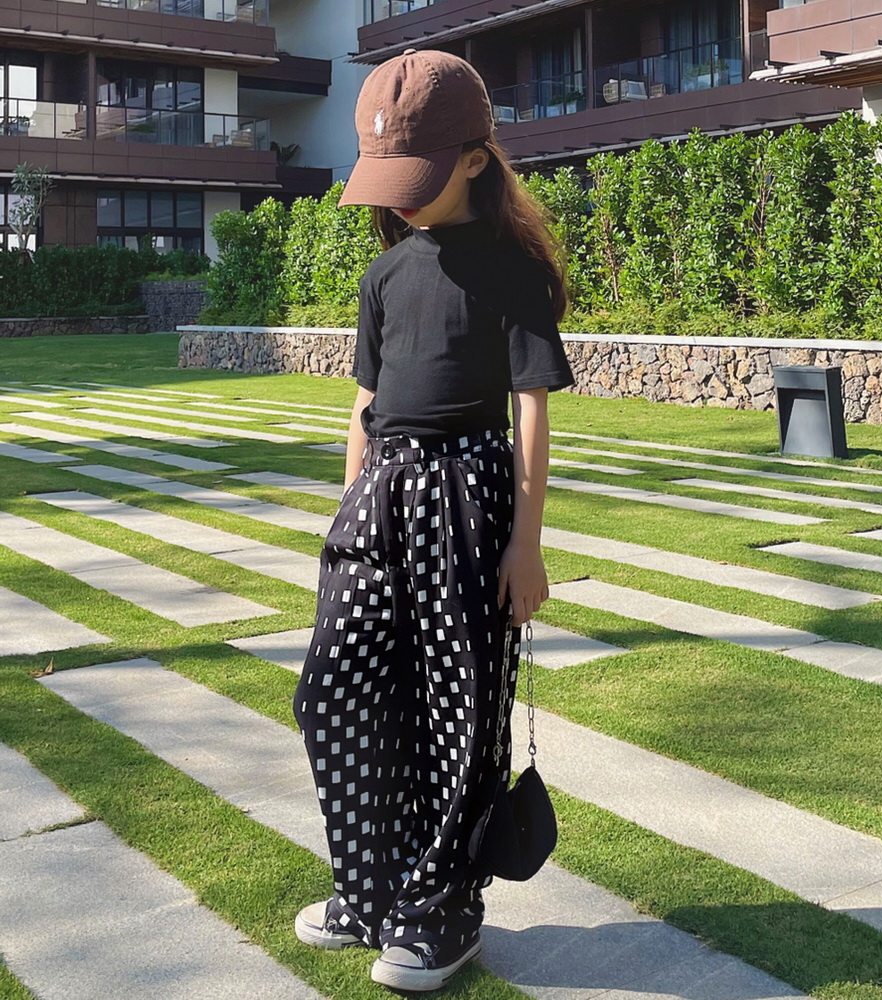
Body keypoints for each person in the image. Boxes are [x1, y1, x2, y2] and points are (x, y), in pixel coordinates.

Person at [291, 47, 576, 993]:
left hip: (468, 499)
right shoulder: (384, 275)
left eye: (415, 174)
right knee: (335, 690)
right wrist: (347, 517)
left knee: (456, 712)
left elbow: (530, 413)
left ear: (475, 158)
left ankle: (440, 909)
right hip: (379, 499)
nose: (399, 197)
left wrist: (526, 544)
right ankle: (371, 888)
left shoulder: (513, 272)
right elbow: (364, 407)